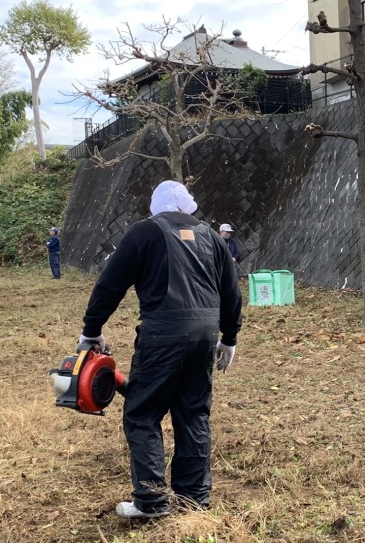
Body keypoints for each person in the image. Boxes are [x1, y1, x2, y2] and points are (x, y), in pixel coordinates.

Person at [78, 180, 242, 518]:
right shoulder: (211, 237)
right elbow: (231, 291)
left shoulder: (145, 233)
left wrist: (92, 329)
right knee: (193, 413)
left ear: (157, 207)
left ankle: (150, 501)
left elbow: (110, 284)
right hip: (205, 338)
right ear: (186, 206)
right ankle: (194, 498)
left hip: (163, 336)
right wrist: (229, 337)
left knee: (143, 412)